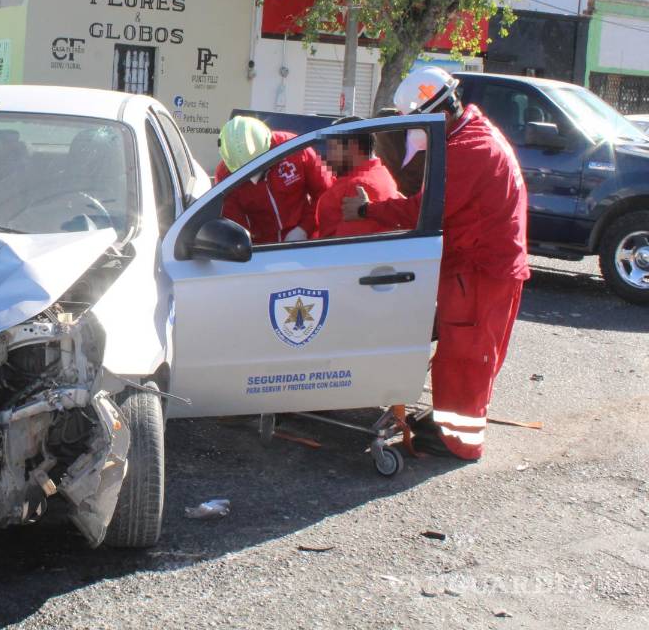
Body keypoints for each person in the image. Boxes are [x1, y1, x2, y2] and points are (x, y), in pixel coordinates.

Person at [342, 67, 528, 460]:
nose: (418, 136)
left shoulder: (469, 151)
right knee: (464, 357)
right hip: (482, 268)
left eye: (419, 127)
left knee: (465, 358)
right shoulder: (471, 133)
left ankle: (458, 441)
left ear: (439, 115)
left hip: (481, 272)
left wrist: (368, 209)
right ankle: (451, 424)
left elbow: (424, 211)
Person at [215, 115, 334, 243]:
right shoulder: (225, 177)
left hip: (306, 241)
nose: (254, 179)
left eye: (258, 168)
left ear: (268, 146)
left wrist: (304, 228)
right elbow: (233, 224)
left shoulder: (295, 148)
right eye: (246, 174)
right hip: (262, 249)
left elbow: (326, 192)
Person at [314, 116, 402, 239]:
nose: (329, 155)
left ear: (352, 147)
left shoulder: (358, 186)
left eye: (333, 148)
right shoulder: (379, 172)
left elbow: (349, 247)